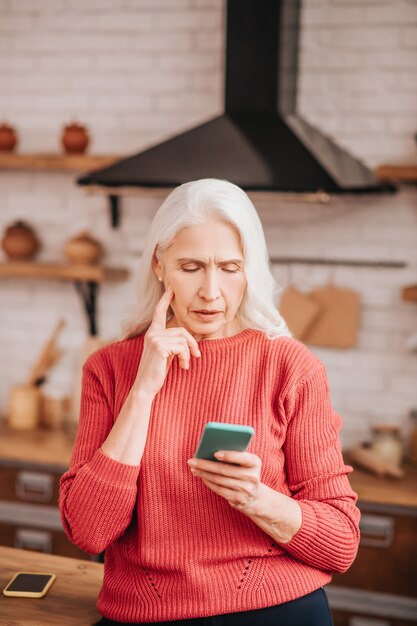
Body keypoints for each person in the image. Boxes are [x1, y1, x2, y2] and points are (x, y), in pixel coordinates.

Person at [59, 178, 360, 626]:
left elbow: (341, 543)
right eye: (192, 266)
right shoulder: (111, 368)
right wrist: (144, 389)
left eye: (230, 267)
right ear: (160, 266)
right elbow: (89, 531)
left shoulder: (290, 366)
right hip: (149, 613)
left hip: (278, 607)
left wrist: (257, 499)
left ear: (249, 270)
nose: (211, 291)